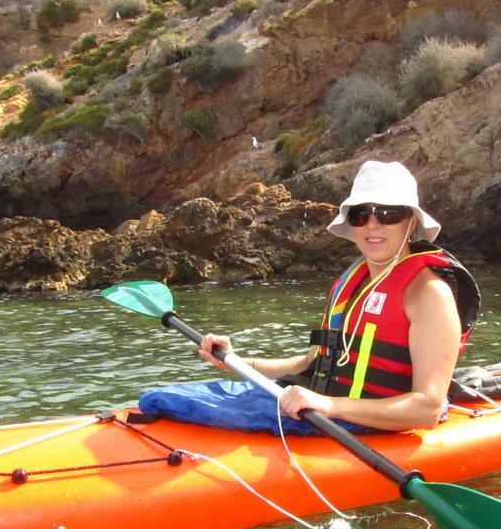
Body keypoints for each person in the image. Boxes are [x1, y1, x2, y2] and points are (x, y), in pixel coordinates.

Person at [193, 159, 480, 432]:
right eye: (360, 214)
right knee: (170, 400)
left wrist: (330, 405)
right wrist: (235, 361)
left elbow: (426, 409)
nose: (372, 224)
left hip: (376, 430)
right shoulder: (351, 287)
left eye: (388, 213)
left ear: (412, 221)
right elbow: (310, 364)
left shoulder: (430, 294)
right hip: (325, 418)